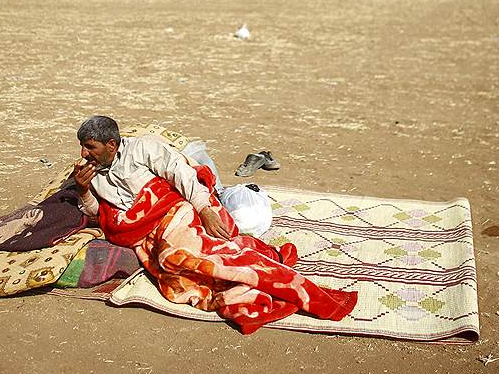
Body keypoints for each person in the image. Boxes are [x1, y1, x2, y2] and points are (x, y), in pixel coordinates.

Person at [72, 115, 357, 334]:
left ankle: (295, 289)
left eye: (90, 147)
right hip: (143, 231)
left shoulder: (143, 149)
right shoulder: (90, 174)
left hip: (175, 211)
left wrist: (205, 209)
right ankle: (243, 281)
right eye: (83, 147)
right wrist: (84, 191)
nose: (84, 154)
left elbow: (181, 174)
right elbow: (103, 214)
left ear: (112, 145)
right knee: (175, 275)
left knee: (181, 255)